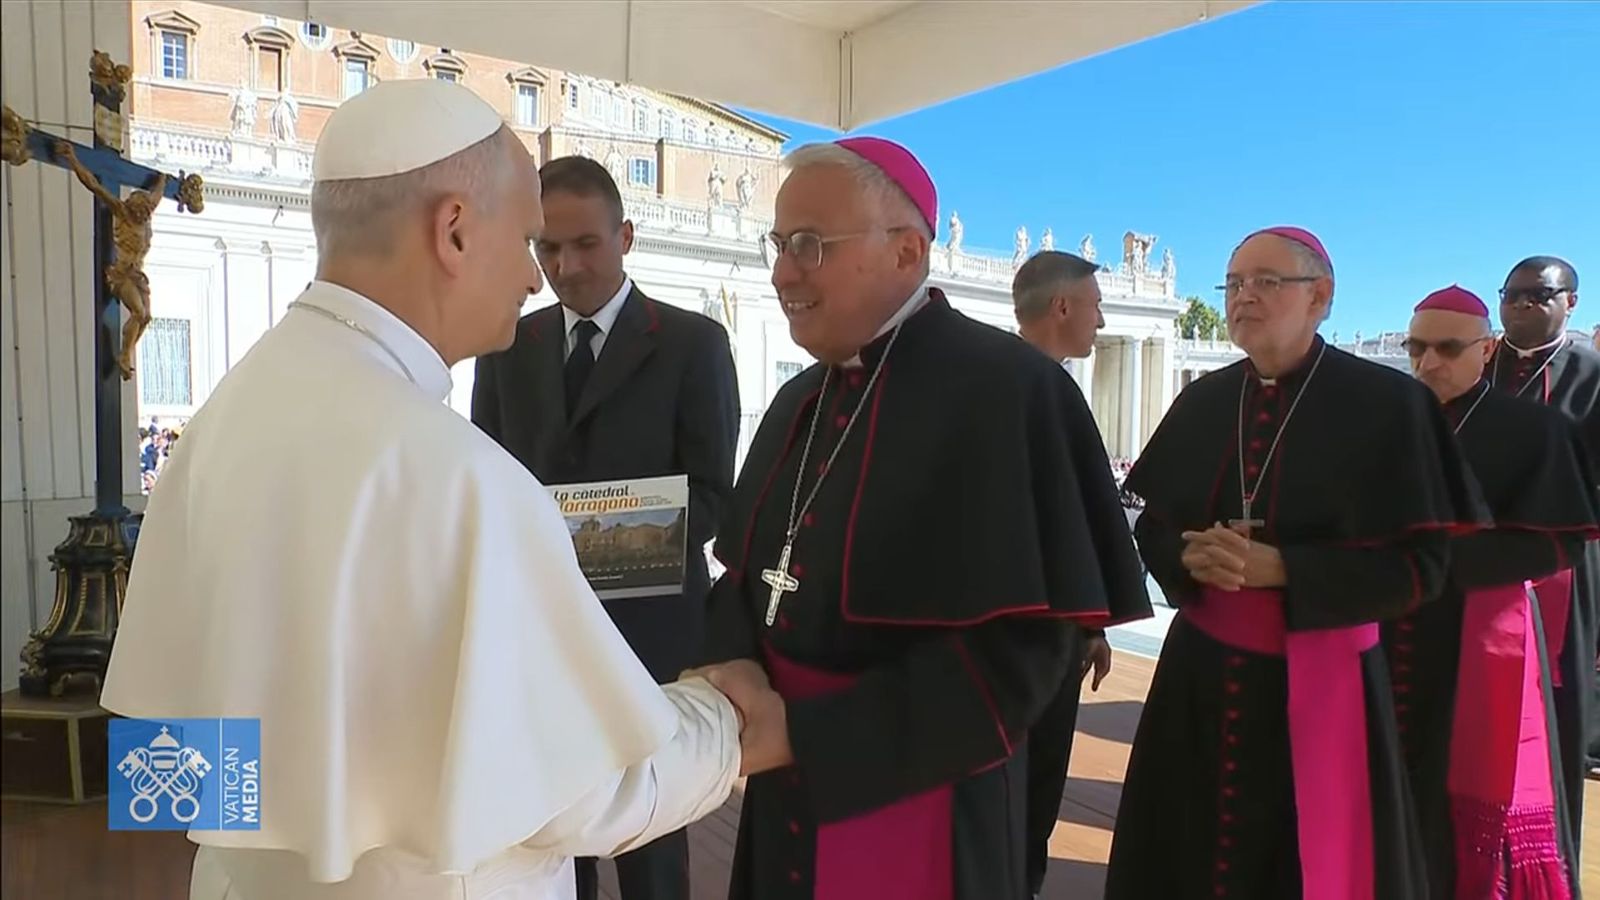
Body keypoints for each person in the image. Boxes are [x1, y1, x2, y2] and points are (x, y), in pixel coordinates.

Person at [99, 78, 770, 900]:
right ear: (453, 230)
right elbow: (585, 799)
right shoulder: (465, 481)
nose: (534, 279)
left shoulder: (214, 429)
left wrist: (284, 844)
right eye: (526, 240)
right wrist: (725, 723)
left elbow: (168, 760)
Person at [690, 136, 1149, 900]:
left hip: (928, 802)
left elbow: (1023, 654)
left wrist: (809, 735)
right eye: (779, 243)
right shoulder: (799, 399)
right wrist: (734, 662)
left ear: (907, 251)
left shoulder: (1012, 391)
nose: (782, 272)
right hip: (781, 788)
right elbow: (745, 576)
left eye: (810, 245)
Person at [1104, 226, 1484, 900]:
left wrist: (1287, 570)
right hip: (1198, 675)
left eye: (1266, 281)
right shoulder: (1203, 400)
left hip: (1326, 680)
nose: (1243, 296)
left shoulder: (1392, 406)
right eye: (1233, 283)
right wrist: (1188, 554)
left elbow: (1423, 569)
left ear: (1321, 297)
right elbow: (1153, 527)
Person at [471, 154, 740, 900]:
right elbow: (487, 479)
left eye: (585, 244)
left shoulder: (694, 343)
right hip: (541, 633)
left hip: (651, 638)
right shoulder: (506, 346)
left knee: (653, 840)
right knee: (557, 831)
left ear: (626, 237)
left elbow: (713, 497)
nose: (565, 267)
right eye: (548, 248)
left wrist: (598, 539)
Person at [1395, 285, 1597, 897]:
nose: (1428, 362)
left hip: (1479, 632)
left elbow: (1557, 545)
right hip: (1391, 626)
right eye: (1416, 348)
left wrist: (1436, 560)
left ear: (1485, 350)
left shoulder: (1535, 430)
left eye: (1447, 348)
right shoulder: (1388, 424)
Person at [1009, 249, 1120, 897]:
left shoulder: (995, 382)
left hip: (1016, 629)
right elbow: (1068, 522)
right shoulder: (1046, 388)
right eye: (1095, 306)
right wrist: (1085, 624)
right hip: (1040, 639)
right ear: (1062, 306)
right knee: (1032, 795)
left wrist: (1092, 622)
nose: (1100, 322)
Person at [1491, 256, 1600, 836]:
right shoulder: (1477, 363)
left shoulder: (1593, 374)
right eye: (1511, 294)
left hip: (1564, 567)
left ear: (1571, 303)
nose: (1521, 305)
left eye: (1538, 294)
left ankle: (1551, 856)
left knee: (1555, 716)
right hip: (1477, 561)